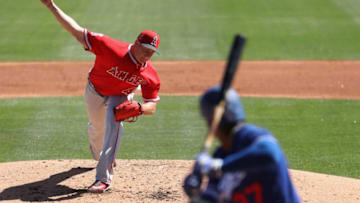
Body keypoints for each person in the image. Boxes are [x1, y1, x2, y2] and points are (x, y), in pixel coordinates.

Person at [40, 0, 161, 193]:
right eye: (145, 50)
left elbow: (152, 106)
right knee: (98, 128)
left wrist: (138, 108)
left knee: (114, 125)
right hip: (94, 90)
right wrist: (51, 6)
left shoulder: (149, 75)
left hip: (120, 96)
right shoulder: (110, 47)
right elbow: (76, 31)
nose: (147, 56)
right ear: (136, 43)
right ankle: (98, 155)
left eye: (151, 53)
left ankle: (103, 178)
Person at [183, 86, 301, 203]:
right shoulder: (220, 155)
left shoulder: (251, 137)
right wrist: (195, 195)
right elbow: (212, 198)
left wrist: (219, 167)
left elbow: (271, 152)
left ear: (210, 122)